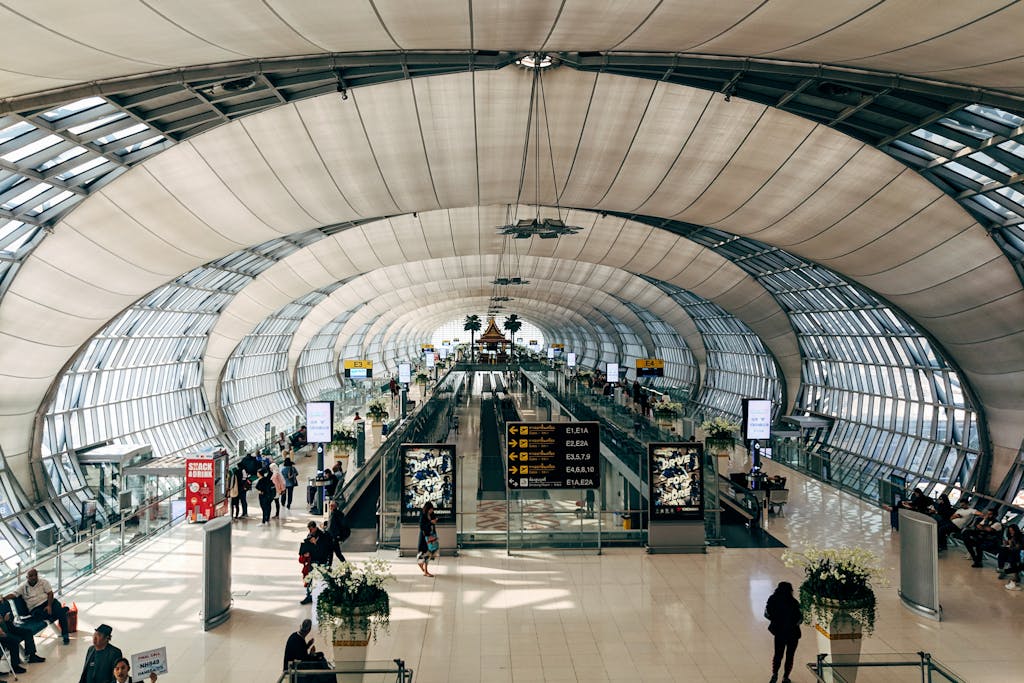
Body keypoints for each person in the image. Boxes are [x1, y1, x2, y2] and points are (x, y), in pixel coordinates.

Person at [3, 567, 70, 644]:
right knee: (52, 613)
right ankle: (60, 610)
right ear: (27, 577)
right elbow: (14, 594)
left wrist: (49, 606)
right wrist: (4, 598)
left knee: (59, 611)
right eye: (31, 576)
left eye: (35, 575)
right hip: (36, 608)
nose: (34, 577)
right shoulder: (23, 587)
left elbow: (50, 593)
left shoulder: (43, 582)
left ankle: (65, 635)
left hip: (48, 602)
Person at [764, 581, 802, 683]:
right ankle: (785, 677)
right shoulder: (794, 602)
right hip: (793, 634)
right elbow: (800, 619)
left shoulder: (772, 599)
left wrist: (775, 620)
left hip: (779, 633)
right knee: (790, 656)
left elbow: (766, 614)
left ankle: (774, 674)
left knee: (778, 654)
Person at [417, 501, 438, 577]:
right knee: (426, 553)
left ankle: (422, 566)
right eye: (430, 509)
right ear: (427, 509)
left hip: (431, 536)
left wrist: (434, 521)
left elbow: (433, 522)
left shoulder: (432, 514)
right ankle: (425, 570)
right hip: (424, 537)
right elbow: (422, 526)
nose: (432, 511)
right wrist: (430, 522)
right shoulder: (423, 515)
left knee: (430, 552)